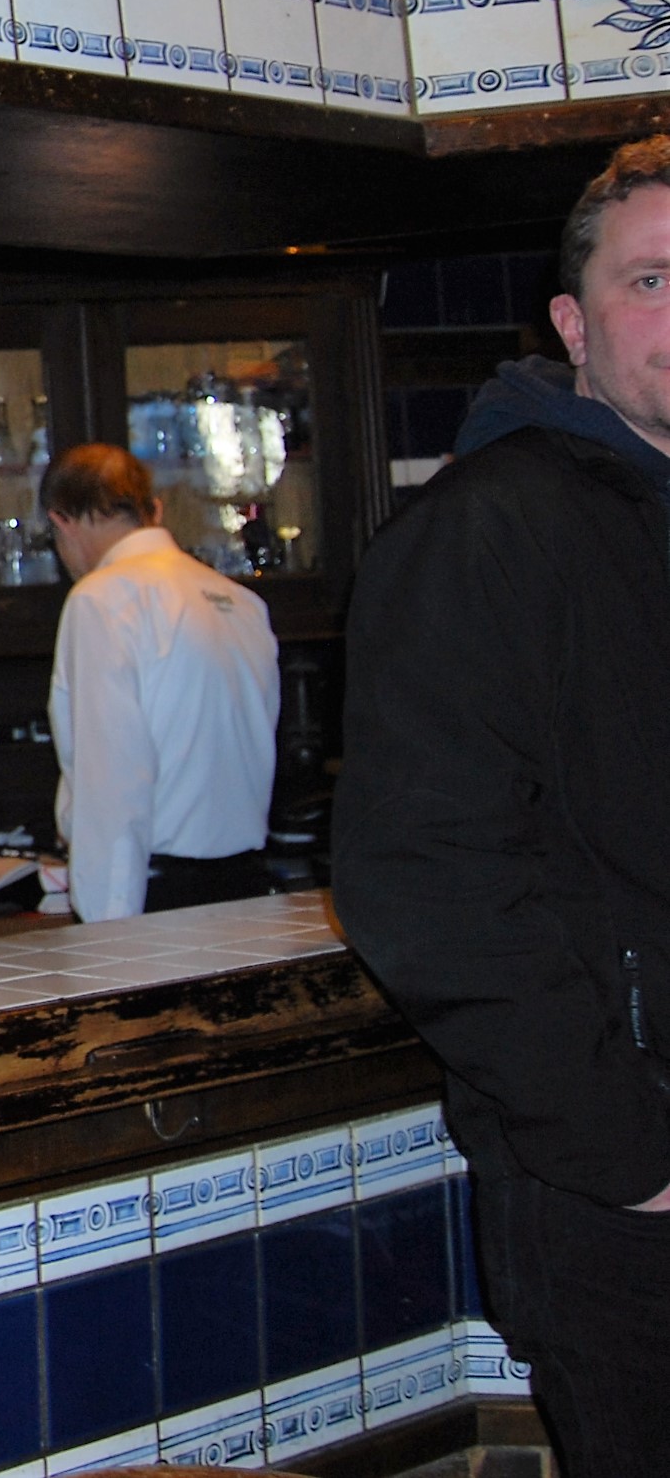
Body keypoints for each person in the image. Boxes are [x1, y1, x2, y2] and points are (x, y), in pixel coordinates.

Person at [331, 137, 670, 1471]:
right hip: (625, 1202)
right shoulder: (488, 528)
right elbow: (423, 876)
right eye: (651, 279)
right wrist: (627, 1153)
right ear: (572, 326)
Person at [40, 442, 279, 922]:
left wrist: (107, 930)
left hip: (160, 897)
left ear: (62, 521)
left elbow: (112, 783)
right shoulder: (241, 602)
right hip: (251, 889)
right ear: (155, 510)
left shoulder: (102, 599)